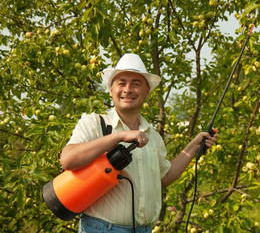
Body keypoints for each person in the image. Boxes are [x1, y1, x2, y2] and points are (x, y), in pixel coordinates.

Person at [60, 53, 218, 233]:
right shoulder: (95, 122)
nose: (128, 89)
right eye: (121, 83)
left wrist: (195, 145)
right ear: (111, 89)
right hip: (101, 228)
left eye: (136, 84)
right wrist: (118, 137)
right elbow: (68, 159)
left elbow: (164, 177)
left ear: (147, 92)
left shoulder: (152, 135)